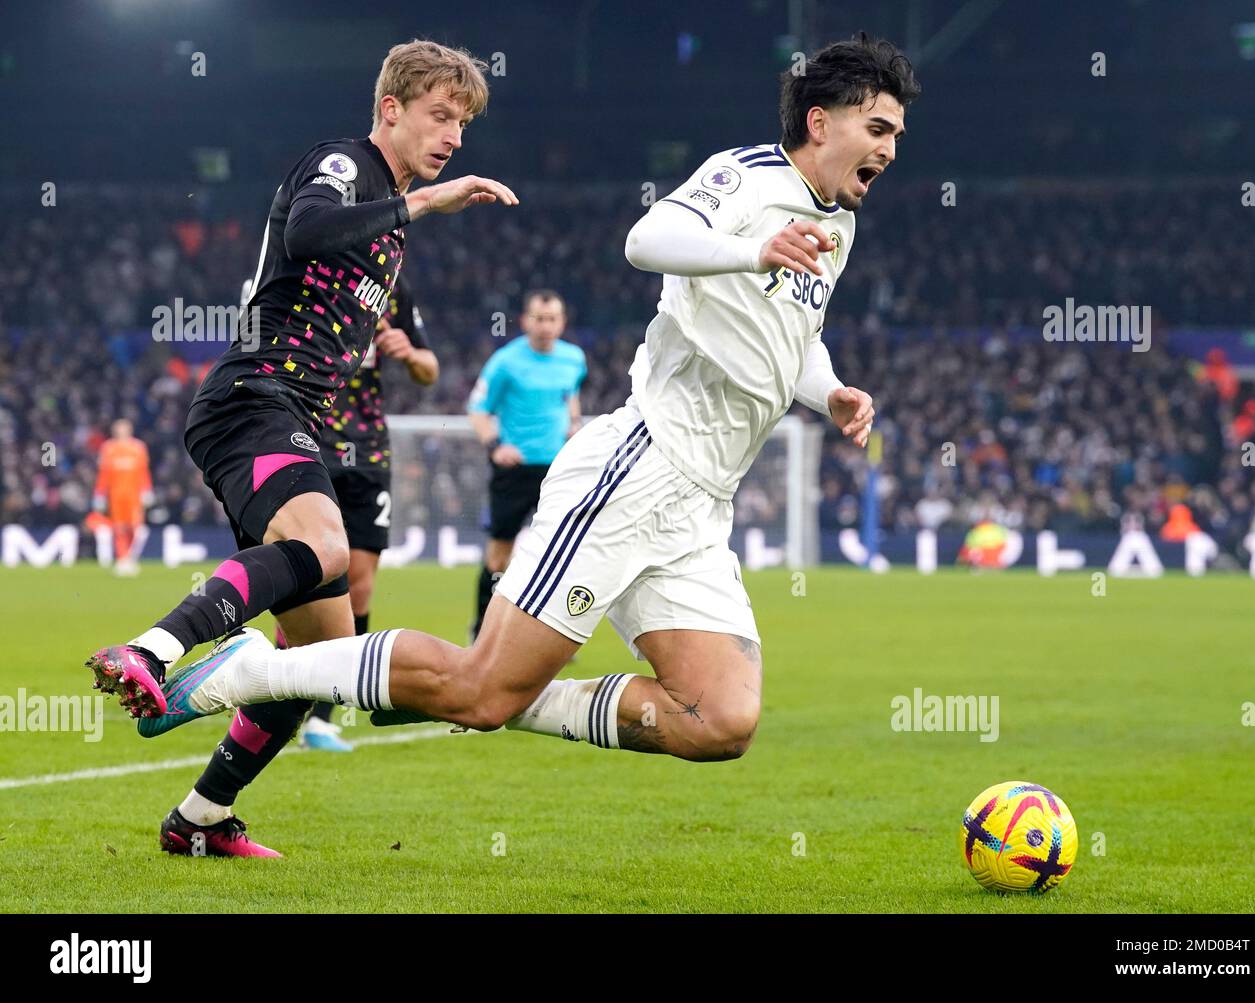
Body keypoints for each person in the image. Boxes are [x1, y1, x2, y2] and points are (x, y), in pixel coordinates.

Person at [115, 33, 912, 783]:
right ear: (820, 120)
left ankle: (448, 692)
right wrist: (752, 247)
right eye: (877, 126)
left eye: (898, 135)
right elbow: (649, 237)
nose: (889, 148)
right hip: (644, 464)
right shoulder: (748, 178)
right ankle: (257, 667)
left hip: (705, 502)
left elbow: (793, 334)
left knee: (719, 717)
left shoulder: (836, 224)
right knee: (471, 682)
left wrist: (827, 389)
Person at [87, 39, 517, 857]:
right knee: (324, 547)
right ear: (391, 109)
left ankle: (200, 819)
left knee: (314, 660)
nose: (454, 136)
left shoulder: (388, 231)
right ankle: (151, 650)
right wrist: (426, 204)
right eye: (440, 115)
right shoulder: (344, 166)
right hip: (252, 396)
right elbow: (314, 228)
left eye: (462, 122)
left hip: (293, 414)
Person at [300, 272, 439, 752]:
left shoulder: (394, 288)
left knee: (358, 583)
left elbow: (429, 370)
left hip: (369, 453)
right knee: (304, 576)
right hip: (307, 442)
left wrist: (410, 353)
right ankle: (271, 685)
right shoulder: (305, 277)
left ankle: (321, 715)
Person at [467, 290, 585, 641]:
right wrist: (494, 445)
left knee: (560, 553)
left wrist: (573, 423)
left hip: (558, 470)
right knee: (499, 555)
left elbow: (570, 396)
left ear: (561, 322)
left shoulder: (574, 359)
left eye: (552, 319)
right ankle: (482, 633)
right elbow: (477, 408)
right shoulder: (505, 361)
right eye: (539, 318)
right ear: (525, 321)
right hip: (514, 471)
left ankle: (551, 639)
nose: (546, 326)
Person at [92, 419, 153, 576]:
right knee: (119, 528)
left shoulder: (138, 448)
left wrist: (147, 490)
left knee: (134, 527)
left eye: (124, 428)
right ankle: (122, 559)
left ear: (130, 430)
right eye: (119, 429)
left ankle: (129, 557)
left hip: (134, 495)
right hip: (116, 495)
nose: (122, 431)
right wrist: (99, 494)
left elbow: (143, 471)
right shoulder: (108, 448)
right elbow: (103, 474)